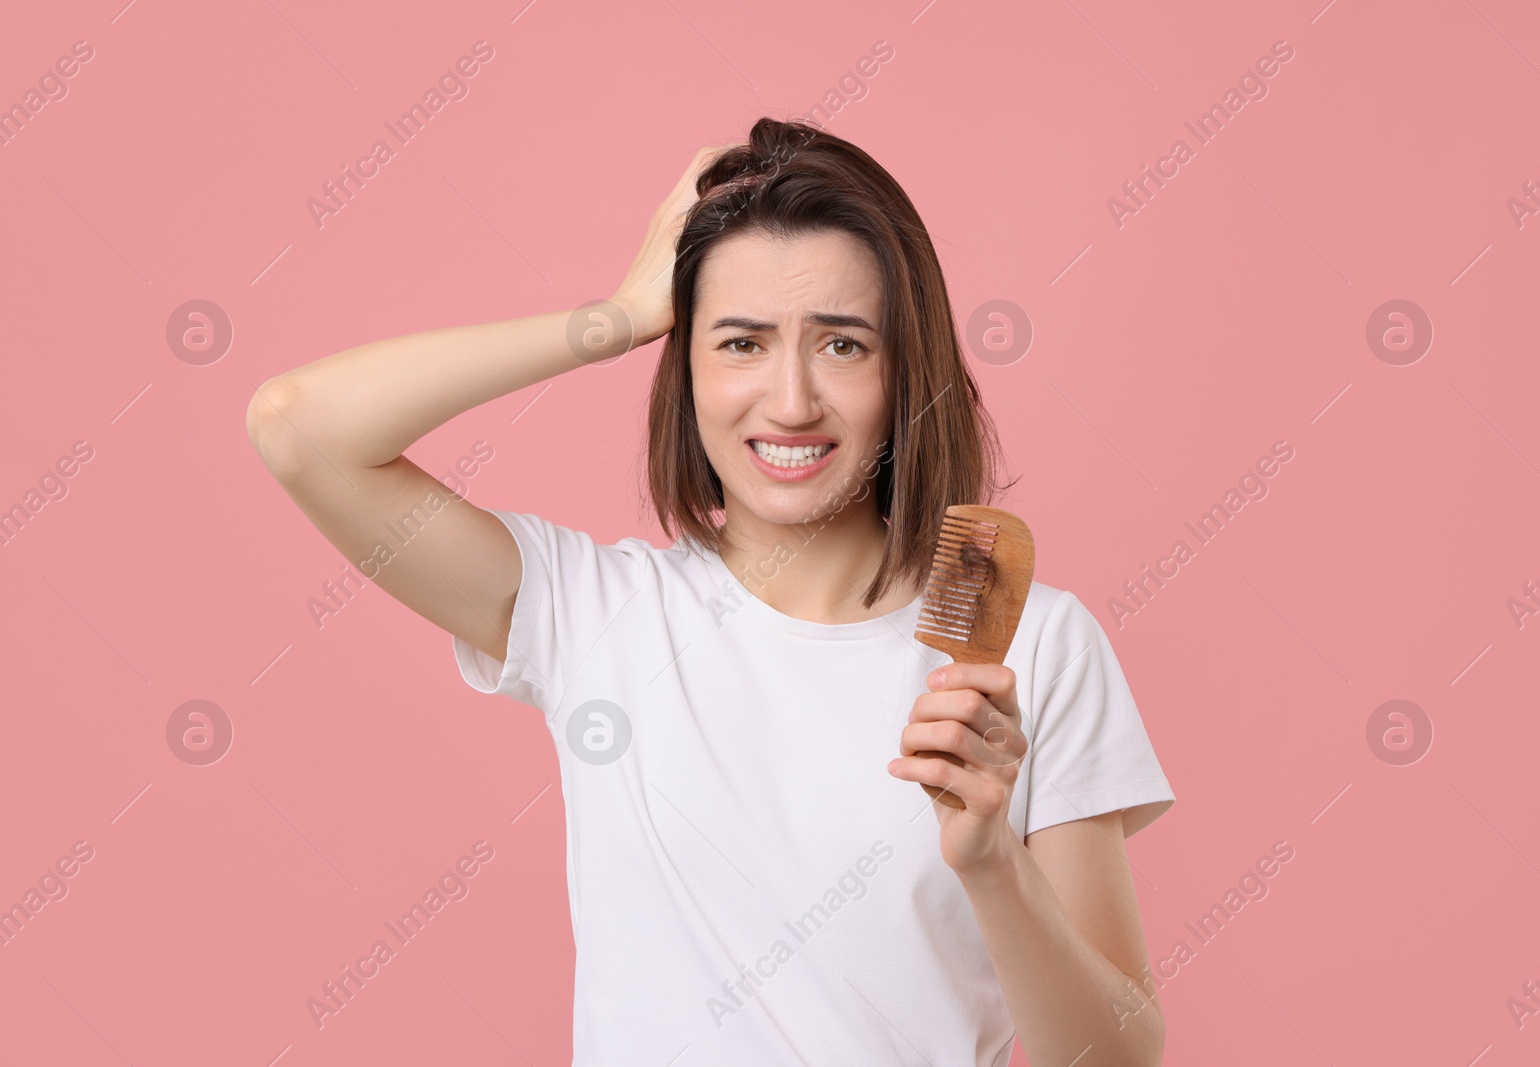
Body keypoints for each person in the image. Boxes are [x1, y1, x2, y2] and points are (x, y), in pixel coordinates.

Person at [247, 116, 1175, 1066]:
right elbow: (299, 428)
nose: (791, 401)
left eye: (844, 345)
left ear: (907, 369)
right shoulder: (594, 613)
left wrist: (992, 867)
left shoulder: (1034, 648)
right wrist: (612, 319)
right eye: (740, 342)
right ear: (683, 365)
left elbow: (1123, 1059)